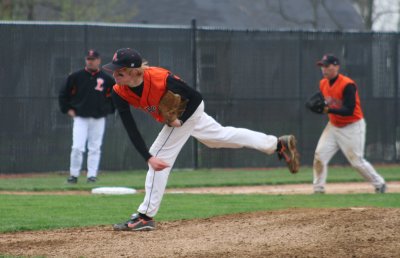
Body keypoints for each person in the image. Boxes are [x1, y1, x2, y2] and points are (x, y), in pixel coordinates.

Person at [103, 48, 300, 231]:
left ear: (135, 72)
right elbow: (130, 127)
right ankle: (276, 144)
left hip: (190, 110)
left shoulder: (161, 79)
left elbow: (195, 97)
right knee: (218, 138)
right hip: (178, 118)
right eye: (114, 71)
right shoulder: (119, 91)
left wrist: (181, 120)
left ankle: (145, 216)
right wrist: (146, 156)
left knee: (160, 155)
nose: (114, 75)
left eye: (119, 72)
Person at [312, 54, 386, 194]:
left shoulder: (347, 84)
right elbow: (325, 101)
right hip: (333, 126)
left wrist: (328, 109)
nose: (324, 69)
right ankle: (318, 189)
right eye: (322, 66)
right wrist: (318, 106)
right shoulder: (323, 83)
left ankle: (379, 184)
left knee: (356, 162)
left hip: (352, 126)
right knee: (319, 156)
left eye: (327, 66)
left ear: (336, 66)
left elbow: (349, 110)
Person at [59, 49, 115, 184]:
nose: (90, 62)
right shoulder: (76, 77)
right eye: (88, 59)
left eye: (93, 59)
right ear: (86, 60)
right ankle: (73, 175)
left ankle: (91, 175)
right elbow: (63, 94)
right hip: (80, 117)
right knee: (77, 147)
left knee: (95, 147)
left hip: (98, 118)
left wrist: (107, 110)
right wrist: (67, 109)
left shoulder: (107, 79)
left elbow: (115, 98)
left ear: (99, 60)